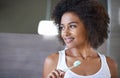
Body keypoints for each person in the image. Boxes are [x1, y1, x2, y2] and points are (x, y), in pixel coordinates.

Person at [43, 0, 118, 78]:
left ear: (89, 27)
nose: (65, 33)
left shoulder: (110, 65)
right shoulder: (52, 61)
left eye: (72, 26)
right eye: (62, 27)